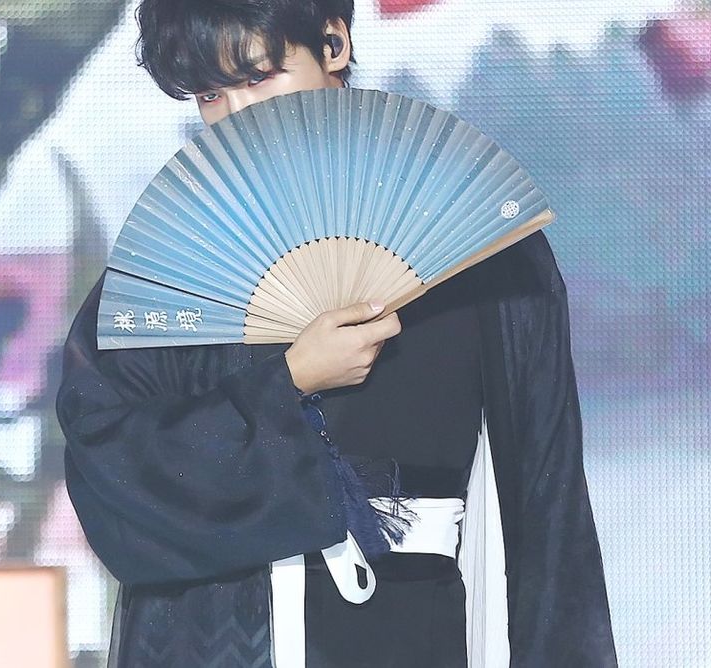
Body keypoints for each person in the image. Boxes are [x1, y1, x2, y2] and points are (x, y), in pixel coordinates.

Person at [56, 1, 618, 666]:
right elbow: (110, 471)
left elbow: (548, 505)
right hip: (206, 637)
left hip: (400, 632)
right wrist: (288, 383)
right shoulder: (172, 260)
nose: (238, 116)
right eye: (210, 95)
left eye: (259, 77)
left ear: (333, 43)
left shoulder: (477, 241)